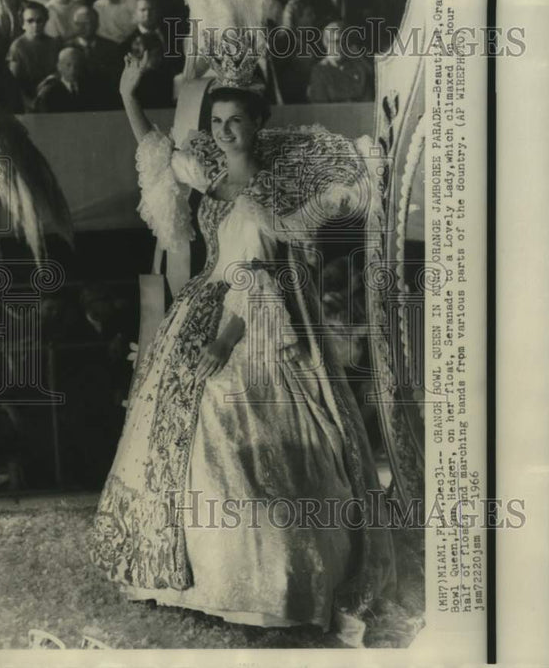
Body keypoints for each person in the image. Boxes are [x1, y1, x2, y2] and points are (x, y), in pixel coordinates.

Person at [90, 49, 394, 635]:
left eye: (235, 120)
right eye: (216, 122)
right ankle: (174, 566)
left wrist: (223, 344)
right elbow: (159, 152)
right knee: (176, 419)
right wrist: (129, 95)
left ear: (259, 123)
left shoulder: (268, 196)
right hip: (204, 306)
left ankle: (263, 580)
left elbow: (255, 277)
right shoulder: (209, 175)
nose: (224, 131)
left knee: (223, 412)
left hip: (256, 325)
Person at [6, 1, 60, 110]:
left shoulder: (54, 44)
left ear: (45, 21)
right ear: (23, 24)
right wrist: (30, 103)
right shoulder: (18, 47)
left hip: (50, 95)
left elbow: (59, 72)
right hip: (27, 99)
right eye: (30, 21)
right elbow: (13, 83)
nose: (35, 25)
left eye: (39, 21)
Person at [308, 20, 374, 103]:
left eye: (344, 42)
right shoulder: (320, 71)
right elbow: (320, 108)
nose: (340, 47)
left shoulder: (359, 68)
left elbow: (368, 103)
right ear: (326, 43)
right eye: (336, 42)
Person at [33, 45, 110, 112]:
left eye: (76, 66)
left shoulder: (90, 87)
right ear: (59, 66)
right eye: (68, 65)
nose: (73, 70)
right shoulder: (49, 91)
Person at [65, 5, 122, 95]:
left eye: (86, 23)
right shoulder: (66, 48)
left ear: (96, 24)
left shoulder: (111, 47)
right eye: (78, 23)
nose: (81, 27)